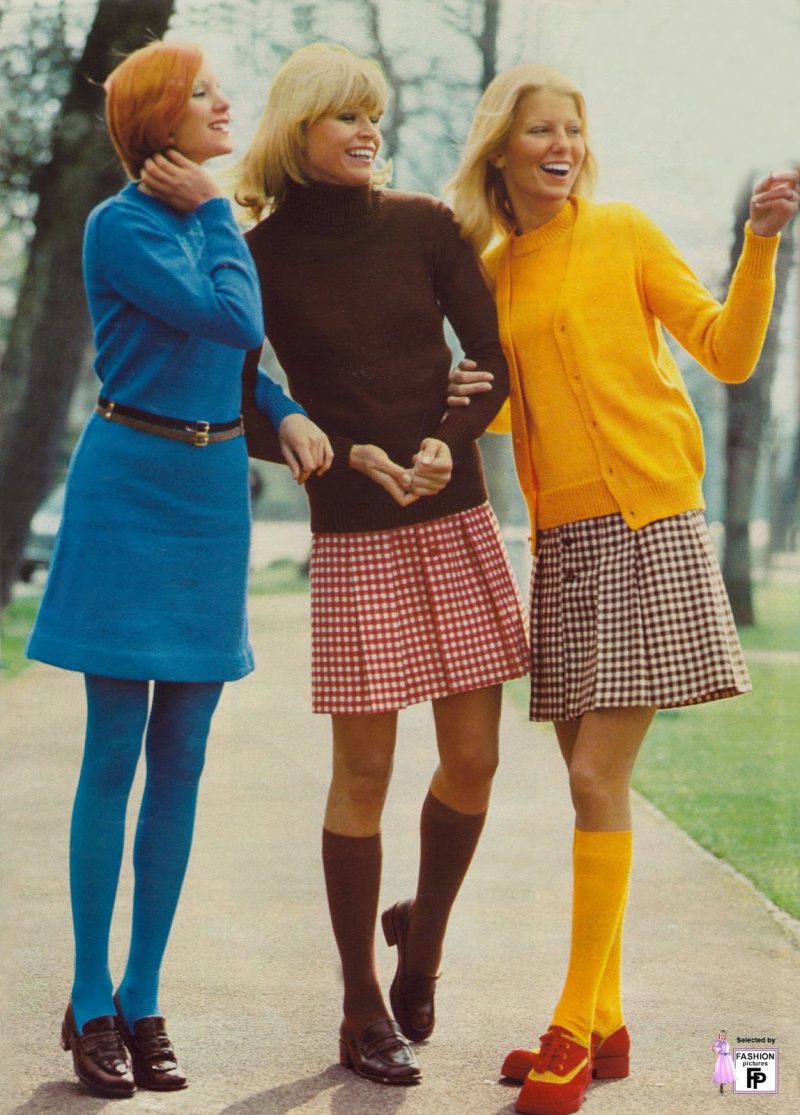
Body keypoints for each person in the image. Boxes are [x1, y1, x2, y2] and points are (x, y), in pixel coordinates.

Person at [446, 63, 799, 1115]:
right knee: (584, 783)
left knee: (597, 777)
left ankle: (570, 1020)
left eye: (572, 129)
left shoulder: (624, 232)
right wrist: (449, 390)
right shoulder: (491, 272)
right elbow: (504, 410)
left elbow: (727, 355)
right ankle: (603, 1026)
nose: (562, 145)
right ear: (501, 149)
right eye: (539, 130)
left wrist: (760, 243)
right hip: (561, 544)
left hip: (648, 525)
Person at [26, 40, 329, 1099]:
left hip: (208, 499)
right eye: (203, 93)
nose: (223, 103)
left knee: (184, 755)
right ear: (161, 117)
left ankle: (144, 994)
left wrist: (286, 411)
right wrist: (216, 218)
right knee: (114, 749)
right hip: (128, 487)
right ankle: (89, 998)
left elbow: (236, 357)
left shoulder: (208, 220)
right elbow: (233, 314)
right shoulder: (123, 226)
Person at [235, 42, 529, 1087]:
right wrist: (337, 447)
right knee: (362, 771)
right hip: (354, 530)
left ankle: (424, 939)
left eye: (374, 115)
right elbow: (241, 396)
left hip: (454, 516)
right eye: (346, 116)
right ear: (298, 130)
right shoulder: (257, 256)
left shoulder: (424, 226)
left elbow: (489, 359)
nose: (368, 132)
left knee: (474, 760)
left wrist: (450, 438)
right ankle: (361, 1001)